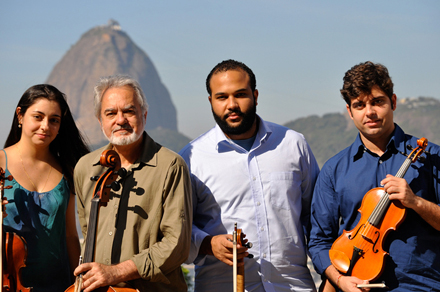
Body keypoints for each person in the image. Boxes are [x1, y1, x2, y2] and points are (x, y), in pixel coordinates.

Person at [179, 59, 320, 291]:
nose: (231, 104)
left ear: (255, 95)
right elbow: (179, 228)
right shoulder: (191, 158)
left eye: (241, 94)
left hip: (294, 286)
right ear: (210, 101)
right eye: (222, 97)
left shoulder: (294, 144)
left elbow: (316, 219)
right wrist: (208, 243)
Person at [308, 61, 440, 291]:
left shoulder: (431, 157)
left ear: (393, 102)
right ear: (349, 111)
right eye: (359, 105)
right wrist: (340, 281)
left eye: (378, 101)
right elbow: (319, 242)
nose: (369, 112)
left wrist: (415, 202)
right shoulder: (334, 169)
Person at [73, 75, 192, 292]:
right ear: (100, 121)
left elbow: (177, 245)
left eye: (128, 111)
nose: (120, 120)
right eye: (110, 113)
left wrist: (116, 272)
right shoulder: (85, 168)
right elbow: (87, 231)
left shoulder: (171, 166)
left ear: (144, 115)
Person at [0, 84, 89, 291]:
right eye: (38, 117)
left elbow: (69, 235)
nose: (45, 126)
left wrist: (78, 284)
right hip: (10, 283)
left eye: (54, 120)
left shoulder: (67, 168)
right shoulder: (0, 164)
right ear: (20, 116)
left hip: (57, 284)